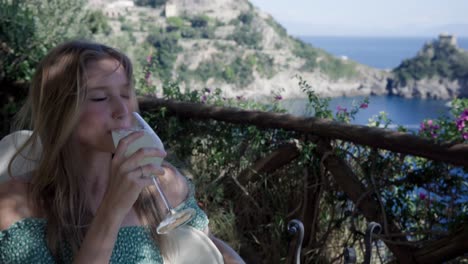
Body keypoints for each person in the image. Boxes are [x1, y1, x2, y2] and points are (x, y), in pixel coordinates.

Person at [0, 40, 244, 263]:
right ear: (60, 111)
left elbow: (203, 245)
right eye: (99, 97)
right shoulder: (18, 206)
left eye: (126, 94)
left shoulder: (163, 185)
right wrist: (113, 208)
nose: (122, 109)